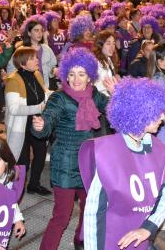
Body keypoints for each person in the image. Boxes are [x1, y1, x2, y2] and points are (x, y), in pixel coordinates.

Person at [79, 77, 165, 250]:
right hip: (111, 241)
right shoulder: (107, 152)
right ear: (140, 113)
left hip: (142, 241)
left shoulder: (159, 149)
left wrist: (149, 227)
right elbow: (94, 213)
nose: (162, 116)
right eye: (156, 111)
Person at [32, 47, 111, 250]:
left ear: (90, 77)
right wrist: (41, 127)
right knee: (61, 216)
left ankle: (80, 241)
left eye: (82, 74)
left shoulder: (94, 95)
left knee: (89, 209)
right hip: (65, 162)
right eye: (72, 74)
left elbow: (115, 112)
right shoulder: (59, 98)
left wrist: (116, 93)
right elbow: (49, 119)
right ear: (66, 74)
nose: (76, 79)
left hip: (88, 163)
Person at [4, 46, 52, 196]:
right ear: (23, 63)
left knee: (41, 152)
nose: (37, 60)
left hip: (35, 122)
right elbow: (14, 109)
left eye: (36, 57)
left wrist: (57, 94)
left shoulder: (36, 74)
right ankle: (15, 192)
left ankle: (34, 184)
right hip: (20, 127)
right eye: (33, 58)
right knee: (22, 161)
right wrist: (39, 108)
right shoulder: (13, 80)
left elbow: (43, 93)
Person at [93, 30, 119, 97]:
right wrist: (107, 84)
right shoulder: (96, 62)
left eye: (113, 43)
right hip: (101, 100)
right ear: (100, 45)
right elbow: (92, 85)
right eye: (108, 43)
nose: (112, 46)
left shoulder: (108, 59)